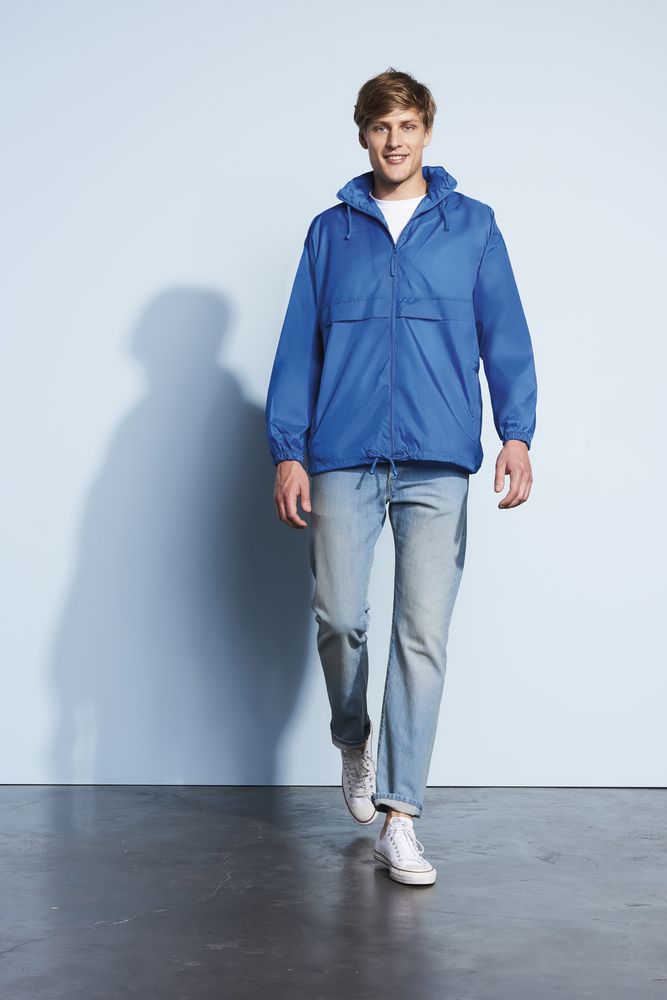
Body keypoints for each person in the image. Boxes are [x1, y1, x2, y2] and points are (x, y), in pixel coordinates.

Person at [264, 68, 538, 887]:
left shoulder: (472, 226)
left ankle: (400, 816)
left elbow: (505, 335)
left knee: (421, 636)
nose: (395, 140)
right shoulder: (330, 233)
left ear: (426, 132)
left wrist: (515, 434)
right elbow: (298, 347)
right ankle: (353, 737)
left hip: (437, 456)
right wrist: (287, 449)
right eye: (381, 126)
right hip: (341, 451)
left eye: (408, 125)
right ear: (363, 135)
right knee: (337, 618)